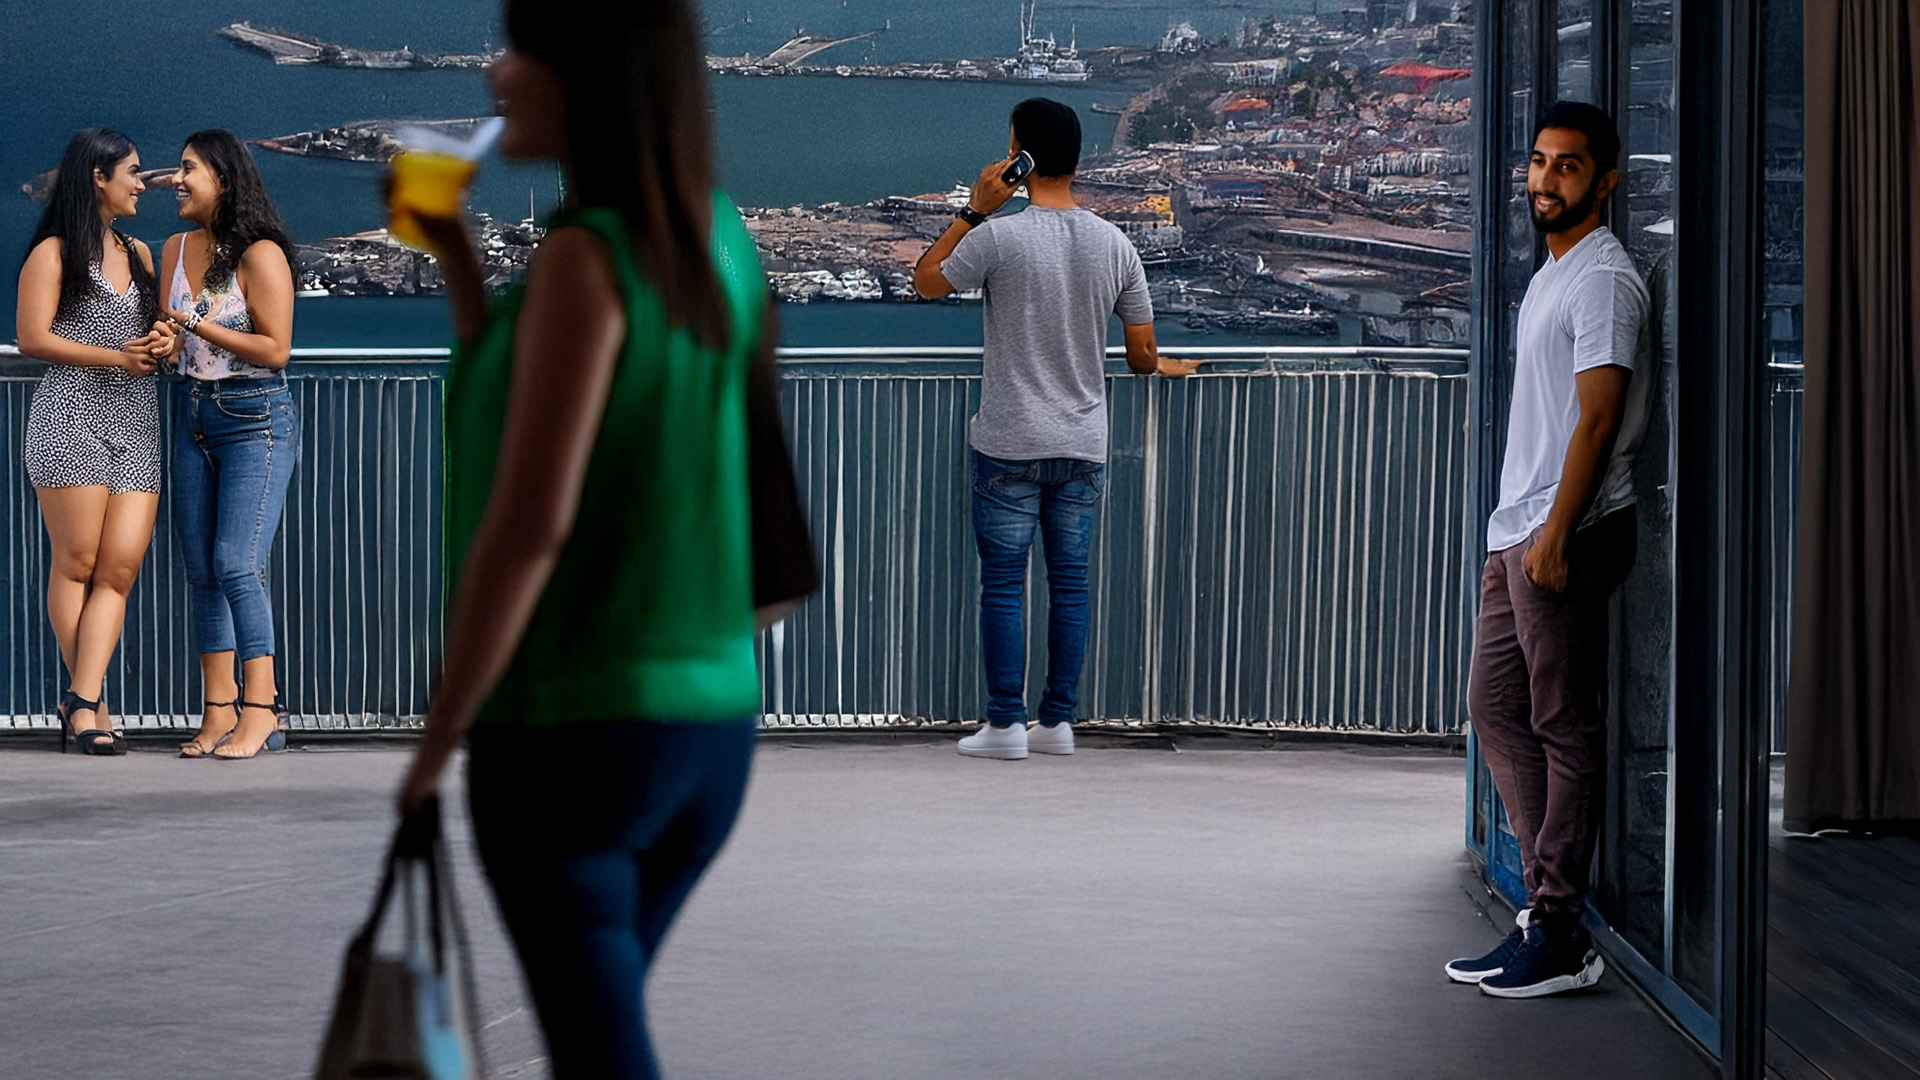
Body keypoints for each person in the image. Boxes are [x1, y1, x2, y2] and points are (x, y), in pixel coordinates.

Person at [394, 3, 770, 1076]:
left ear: (586, 73)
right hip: (706, 728)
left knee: (600, 1055)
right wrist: (461, 265)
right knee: (597, 1041)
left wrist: (435, 742)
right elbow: (535, 401)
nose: (496, 72)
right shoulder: (715, 233)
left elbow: (527, 526)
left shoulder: (583, 260)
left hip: (575, 727)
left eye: (523, 45)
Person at [913, 97, 1199, 761]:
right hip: (1081, 441)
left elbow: (925, 280)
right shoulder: (1117, 245)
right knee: (1070, 584)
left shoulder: (997, 237)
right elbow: (1139, 354)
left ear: (1019, 159)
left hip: (1009, 438)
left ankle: (1006, 725)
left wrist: (974, 210)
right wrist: (1168, 367)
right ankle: (1058, 722)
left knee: (1004, 584)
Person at [1447, 101, 1651, 998]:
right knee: (1494, 708)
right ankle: (1544, 906)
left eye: (1567, 167)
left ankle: (1561, 929)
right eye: (1537, 163)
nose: (1544, 179)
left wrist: (1557, 536)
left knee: (1565, 726)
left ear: (1605, 180)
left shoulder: (1603, 280)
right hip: (1519, 529)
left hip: (1563, 530)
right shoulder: (1552, 273)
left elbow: (1601, 416)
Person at [15, 127, 174, 755]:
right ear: (97, 179)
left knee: (121, 567)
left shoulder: (139, 254)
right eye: (133, 172)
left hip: (134, 420)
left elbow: (156, 329)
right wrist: (115, 357)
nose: (144, 183)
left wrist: (164, 342)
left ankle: (80, 698)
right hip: (69, 418)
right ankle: (90, 705)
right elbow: (32, 339)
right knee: (77, 563)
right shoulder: (53, 253)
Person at [156, 129, 298, 759]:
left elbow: (275, 350)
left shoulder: (261, 253)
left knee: (237, 562)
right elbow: (175, 335)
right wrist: (165, 343)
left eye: (189, 170)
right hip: (192, 413)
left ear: (226, 180)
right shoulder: (174, 247)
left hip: (256, 418)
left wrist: (194, 323)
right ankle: (217, 711)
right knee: (201, 572)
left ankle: (261, 708)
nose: (177, 180)